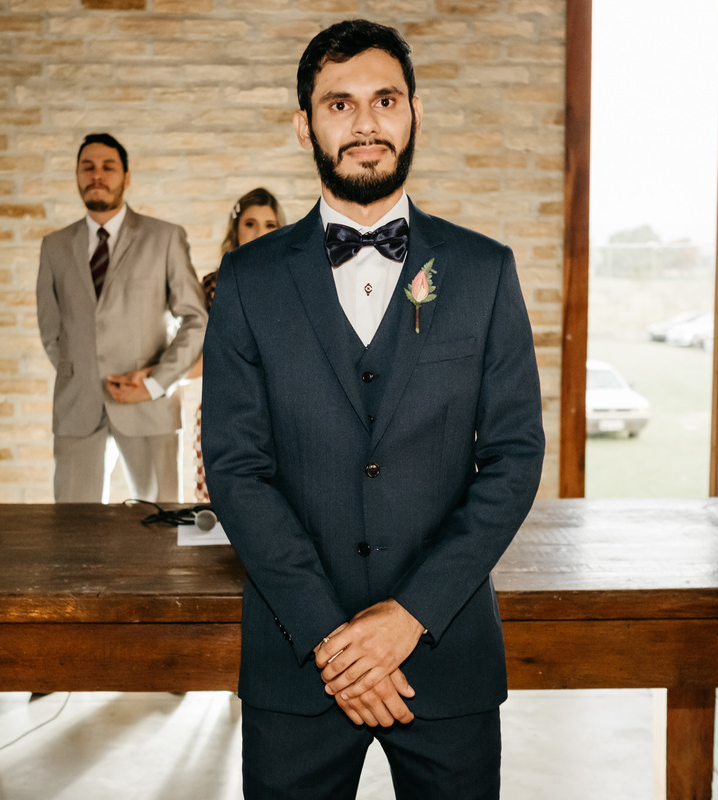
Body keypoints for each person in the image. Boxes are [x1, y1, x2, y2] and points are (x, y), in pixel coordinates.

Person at [202, 20, 544, 799]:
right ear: (304, 125)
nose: (364, 122)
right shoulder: (248, 282)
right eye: (339, 103)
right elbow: (236, 468)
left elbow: (516, 456)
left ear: (415, 114)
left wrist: (409, 616)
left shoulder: (484, 271)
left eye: (385, 100)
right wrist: (330, 637)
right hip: (297, 665)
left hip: (446, 657)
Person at [37, 132, 207, 503]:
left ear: (126, 177)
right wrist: (78, 372)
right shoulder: (54, 247)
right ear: (78, 176)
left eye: (108, 167)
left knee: (158, 527)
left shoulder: (164, 238)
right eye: (88, 167)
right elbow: (51, 330)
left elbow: (196, 319)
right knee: (73, 531)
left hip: (148, 405)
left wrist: (156, 383)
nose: (97, 176)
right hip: (77, 407)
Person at [192, 188, 286, 503]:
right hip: (226, 402)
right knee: (225, 495)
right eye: (250, 223)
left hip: (284, 404)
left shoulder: (294, 281)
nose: (260, 232)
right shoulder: (213, 284)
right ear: (236, 228)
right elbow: (206, 352)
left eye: (270, 224)